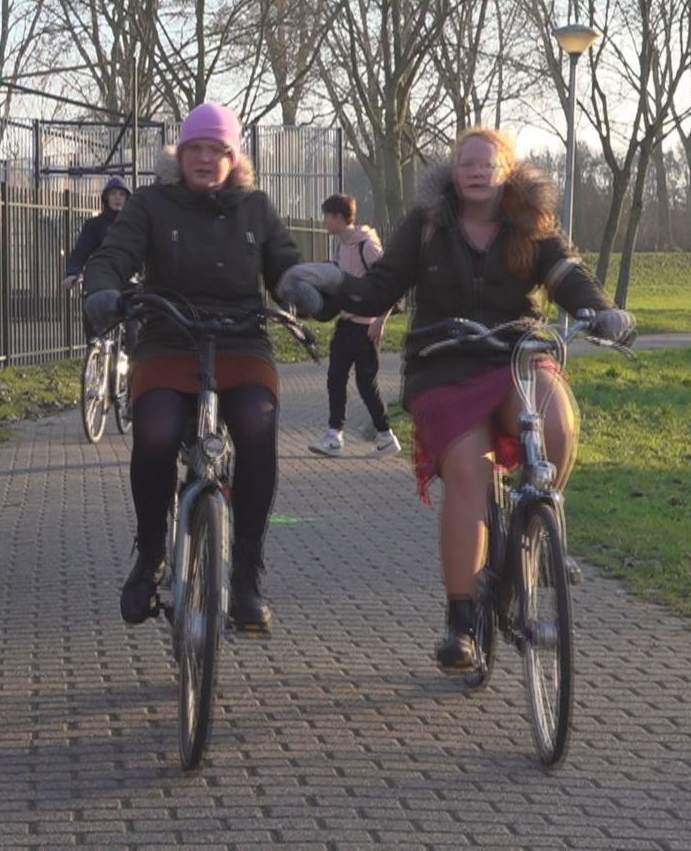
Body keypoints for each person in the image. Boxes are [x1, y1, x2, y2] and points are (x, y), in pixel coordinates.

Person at [280, 127, 633, 671]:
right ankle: (463, 622)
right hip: (444, 362)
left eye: (486, 164)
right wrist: (324, 291)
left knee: (558, 423)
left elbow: (567, 276)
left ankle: (529, 536)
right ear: (453, 169)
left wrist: (603, 313)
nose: (474, 171)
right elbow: (380, 287)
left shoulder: (531, 226)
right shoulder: (427, 226)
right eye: (465, 162)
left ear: (506, 172)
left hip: (515, 353)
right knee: (468, 470)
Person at [81, 102, 313, 633]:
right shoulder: (150, 204)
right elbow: (114, 255)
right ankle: (151, 554)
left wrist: (302, 289)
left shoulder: (256, 208)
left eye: (218, 150)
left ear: (234, 158)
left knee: (257, 423)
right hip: (169, 336)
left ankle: (248, 574)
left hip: (240, 338)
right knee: (157, 430)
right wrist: (104, 291)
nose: (206, 159)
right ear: (180, 154)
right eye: (196, 149)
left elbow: (284, 265)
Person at [308, 194, 401, 458]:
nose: (324, 221)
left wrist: (380, 322)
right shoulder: (341, 246)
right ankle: (334, 436)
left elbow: (390, 285)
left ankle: (385, 436)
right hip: (346, 324)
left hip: (367, 327)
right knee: (335, 378)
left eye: (327, 216)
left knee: (365, 383)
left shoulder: (367, 246)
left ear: (339, 218)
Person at [63, 176, 130, 297]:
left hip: (129, 280)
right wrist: (73, 273)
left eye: (122, 194)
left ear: (127, 199)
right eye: (113, 193)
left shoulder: (133, 225)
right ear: (106, 198)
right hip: (101, 280)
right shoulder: (94, 225)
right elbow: (80, 252)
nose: (118, 197)